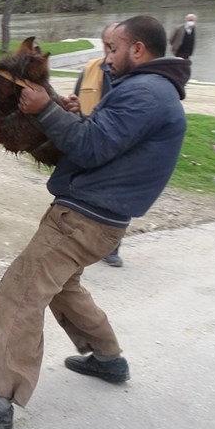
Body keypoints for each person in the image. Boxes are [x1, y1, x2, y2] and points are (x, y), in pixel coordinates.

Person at [0, 15, 190, 429]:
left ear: (139, 50)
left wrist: (45, 111)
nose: (106, 59)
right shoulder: (151, 90)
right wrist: (74, 115)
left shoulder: (145, 93)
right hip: (100, 218)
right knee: (63, 288)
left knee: (19, 293)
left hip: (84, 218)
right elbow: (108, 138)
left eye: (112, 49)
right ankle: (108, 358)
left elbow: (91, 148)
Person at [72, 22, 124, 267]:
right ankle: (82, 244)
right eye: (107, 46)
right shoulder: (91, 68)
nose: (110, 52)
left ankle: (111, 247)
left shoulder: (131, 76)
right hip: (89, 139)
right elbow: (77, 97)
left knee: (115, 195)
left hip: (116, 143)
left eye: (115, 47)